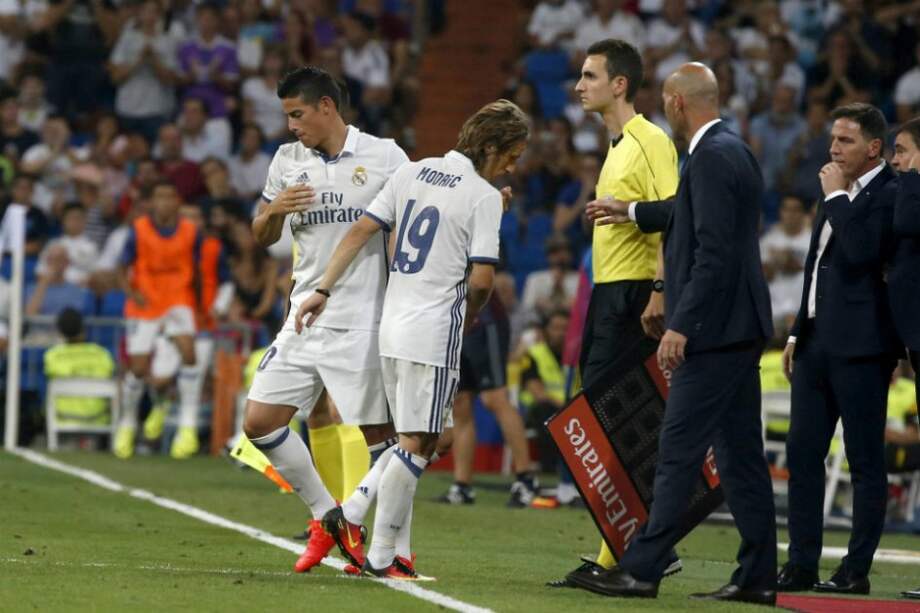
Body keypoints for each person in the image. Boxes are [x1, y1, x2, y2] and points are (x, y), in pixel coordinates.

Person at [296, 98, 529, 579]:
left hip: (393, 323)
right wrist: (467, 315)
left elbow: (364, 228)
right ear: (491, 146)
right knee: (420, 440)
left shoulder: (415, 172)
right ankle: (359, 522)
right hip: (434, 327)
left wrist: (324, 287)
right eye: (513, 153)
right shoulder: (482, 196)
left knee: (424, 438)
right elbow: (482, 280)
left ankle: (386, 555)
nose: (514, 164)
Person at [583, 62, 777, 604]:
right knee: (740, 455)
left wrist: (682, 324)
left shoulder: (711, 158)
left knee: (678, 447)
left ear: (674, 103)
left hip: (714, 331)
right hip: (739, 326)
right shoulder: (732, 150)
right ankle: (759, 576)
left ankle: (642, 567)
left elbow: (711, 254)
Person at [241, 66, 407, 575]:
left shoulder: (385, 155)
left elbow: (415, 222)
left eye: (298, 114)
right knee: (259, 423)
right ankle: (327, 516)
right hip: (303, 313)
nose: (292, 125)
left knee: (383, 441)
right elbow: (261, 235)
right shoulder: (287, 161)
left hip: (362, 316)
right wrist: (274, 213)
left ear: (327, 108)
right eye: (287, 115)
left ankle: (395, 552)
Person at [550, 38, 680, 590]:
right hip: (610, 293)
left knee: (620, 423)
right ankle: (624, 549)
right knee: (606, 422)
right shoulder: (618, 144)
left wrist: (658, 290)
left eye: (590, 75)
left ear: (619, 84)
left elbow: (676, 216)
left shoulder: (651, 140)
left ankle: (641, 551)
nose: (580, 86)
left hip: (634, 297)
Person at [778, 103, 901, 595]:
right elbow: (816, 267)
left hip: (864, 350)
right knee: (802, 455)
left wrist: (835, 198)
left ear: (873, 147)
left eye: (846, 140)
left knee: (864, 460)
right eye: (832, 139)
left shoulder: (892, 195)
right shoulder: (835, 194)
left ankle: (855, 571)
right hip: (816, 345)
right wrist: (795, 331)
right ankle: (801, 563)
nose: (833, 148)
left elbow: (861, 253)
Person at [116, 180, 204, 460]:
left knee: (189, 353)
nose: (165, 202)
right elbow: (121, 267)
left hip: (178, 300)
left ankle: (186, 426)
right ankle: (129, 421)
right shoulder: (138, 229)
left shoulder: (191, 231)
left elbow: (200, 271)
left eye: (170, 196)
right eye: (159, 196)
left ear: (178, 202)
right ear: (152, 202)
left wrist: (200, 306)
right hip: (145, 302)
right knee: (139, 369)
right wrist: (132, 292)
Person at [438, 289, 539, 508]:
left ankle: (526, 479)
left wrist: (473, 310)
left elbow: (483, 279)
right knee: (460, 403)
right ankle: (462, 485)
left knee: (494, 398)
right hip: (453, 324)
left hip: (483, 321)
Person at [889, 117, 920, 415]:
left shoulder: (911, 191)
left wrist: (913, 174)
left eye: (901, 150)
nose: (895, 160)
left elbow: (908, 223)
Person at [43, 308, 116, 434]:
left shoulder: (52, 356)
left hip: (62, 419)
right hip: (97, 418)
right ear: (83, 329)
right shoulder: (102, 354)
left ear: (60, 332)